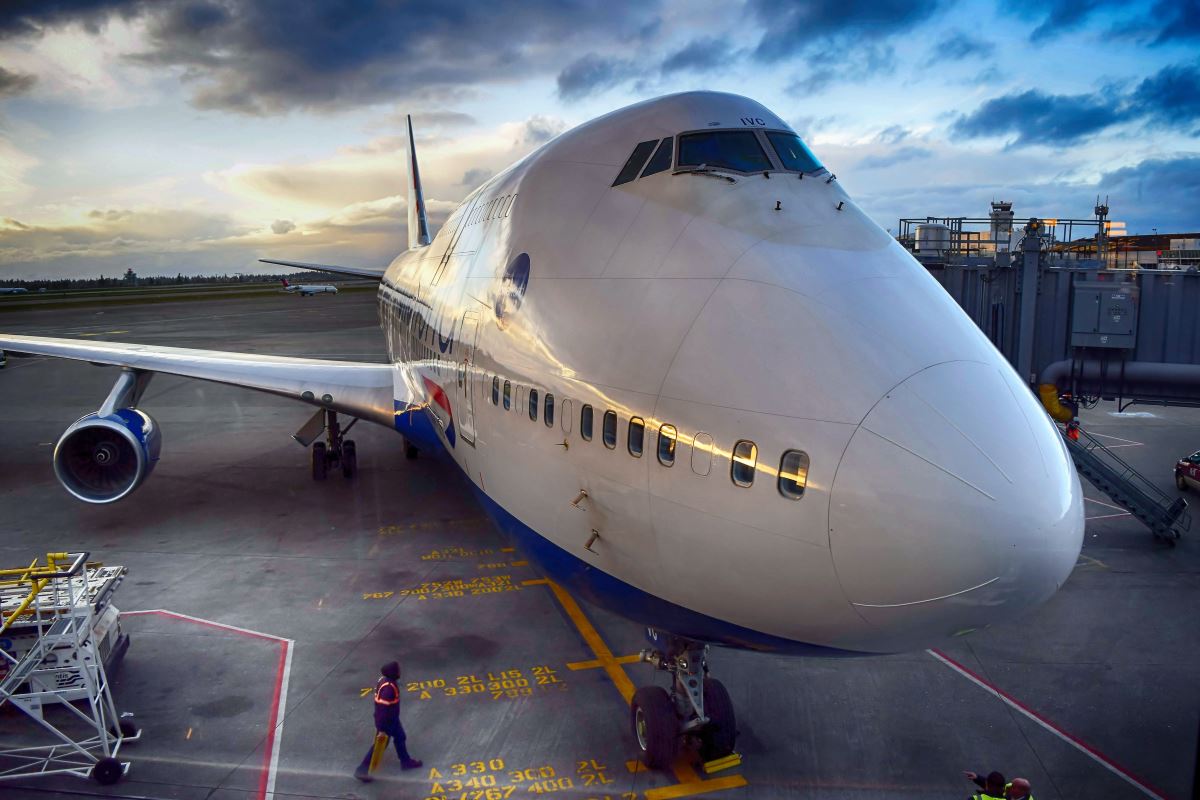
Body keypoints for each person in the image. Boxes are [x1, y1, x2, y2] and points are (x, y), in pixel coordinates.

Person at [355, 661, 422, 782]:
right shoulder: (389, 689)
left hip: (392, 720)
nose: (400, 672)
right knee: (379, 745)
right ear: (393, 673)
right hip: (386, 723)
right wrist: (381, 729)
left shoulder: (385, 681)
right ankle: (361, 770)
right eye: (398, 670)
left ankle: (405, 761)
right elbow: (383, 710)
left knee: (400, 737)